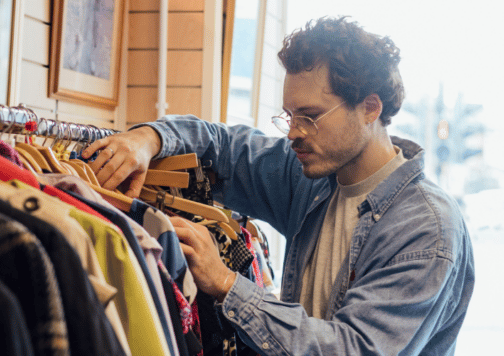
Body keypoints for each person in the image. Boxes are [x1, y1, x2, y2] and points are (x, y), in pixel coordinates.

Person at [82, 15, 475, 355]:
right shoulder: (314, 175)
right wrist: (148, 138)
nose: (293, 133)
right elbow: (222, 146)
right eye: (289, 115)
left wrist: (226, 284)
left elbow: (353, 349)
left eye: (310, 116)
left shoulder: (425, 229)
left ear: (370, 108)